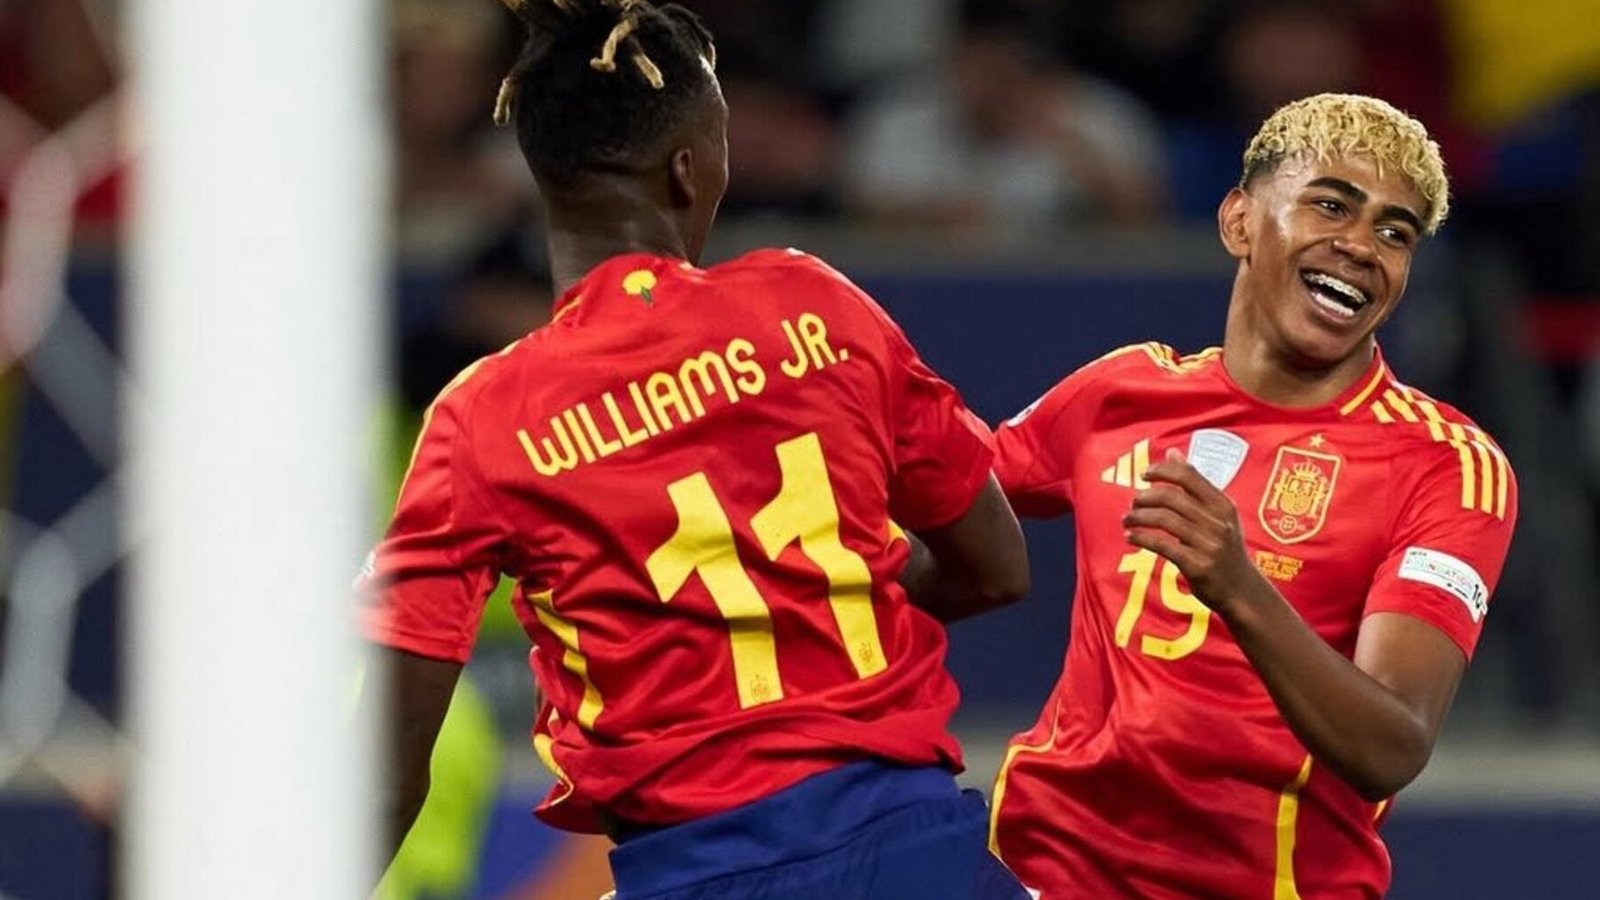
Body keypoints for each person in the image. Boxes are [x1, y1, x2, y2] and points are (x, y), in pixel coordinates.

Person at [359, 2, 1033, 898]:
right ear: (689, 168)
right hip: (920, 857)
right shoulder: (817, 310)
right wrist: (810, 601)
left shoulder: (481, 419)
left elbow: (392, 767)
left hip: (692, 871)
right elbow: (996, 568)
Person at [988, 93, 1518, 898]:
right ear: (1238, 222)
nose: (1360, 245)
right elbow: (949, 499)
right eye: (1331, 205)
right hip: (1046, 868)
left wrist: (1237, 585)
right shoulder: (1120, 392)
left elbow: (1392, 746)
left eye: (1395, 232)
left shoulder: (1445, 466)